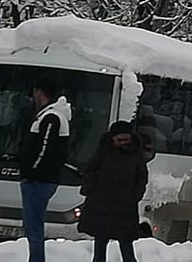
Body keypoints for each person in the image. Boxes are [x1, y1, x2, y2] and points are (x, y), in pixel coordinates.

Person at [79, 121, 149, 262]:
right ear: (112, 138)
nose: (123, 143)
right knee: (100, 245)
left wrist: (135, 195)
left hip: (125, 206)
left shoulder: (136, 153)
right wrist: (90, 189)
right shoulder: (103, 150)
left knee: (126, 247)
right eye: (119, 140)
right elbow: (91, 169)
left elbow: (142, 176)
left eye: (126, 139)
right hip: (101, 203)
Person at [19, 81, 72, 262]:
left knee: (33, 227)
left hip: (38, 181)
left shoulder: (51, 117)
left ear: (38, 91)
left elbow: (44, 148)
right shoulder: (50, 116)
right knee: (33, 226)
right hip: (40, 179)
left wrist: (31, 171)